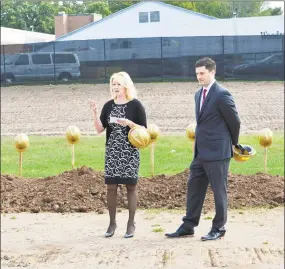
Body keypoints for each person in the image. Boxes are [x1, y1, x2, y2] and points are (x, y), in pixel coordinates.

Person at [165, 57, 241, 241]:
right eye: (197, 73)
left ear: (212, 72)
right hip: (200, 153)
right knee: (194, 188)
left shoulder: (222, 94)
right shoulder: (198, 95)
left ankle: (219, 228)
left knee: (219, 191)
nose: (199, 77)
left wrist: (233, 143)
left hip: (218, 153)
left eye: (202, 73)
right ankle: (188, 225)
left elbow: (235, 121)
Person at [89, 71, 147, 239]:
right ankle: (112, 222)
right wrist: (94, 113)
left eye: (118, 84)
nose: (115, 87)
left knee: (131, 186)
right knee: (111, 187)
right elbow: (100, 129)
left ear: (126, 86)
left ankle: (131, 223)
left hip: (129, 151)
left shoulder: (135, 105)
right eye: (113, 84)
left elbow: (144, 129)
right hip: (113, 151)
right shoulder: (108, 105)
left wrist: (129, 123)